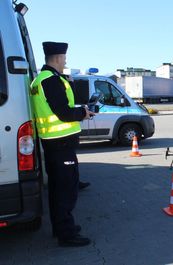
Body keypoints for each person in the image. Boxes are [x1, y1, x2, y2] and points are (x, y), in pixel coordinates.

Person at [30, 41, 94, 247]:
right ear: (58, 58)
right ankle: (66, 234)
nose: (66, 61)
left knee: (60, 188)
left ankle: (63, 227)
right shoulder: (50, 80)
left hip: (55, 144)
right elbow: (64, 113)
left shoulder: (42, 80)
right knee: (65, 190)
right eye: (65, 58)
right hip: (60, 145)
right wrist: (83, 113)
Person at [61, 73, 91, 191]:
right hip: (63, 134)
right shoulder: (55, 83)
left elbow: (71, 102)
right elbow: (66, 110)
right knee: (69, 165)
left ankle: (75, 183)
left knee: (72, 163)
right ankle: (73, 185)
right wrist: (83, 113)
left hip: (66, 133)